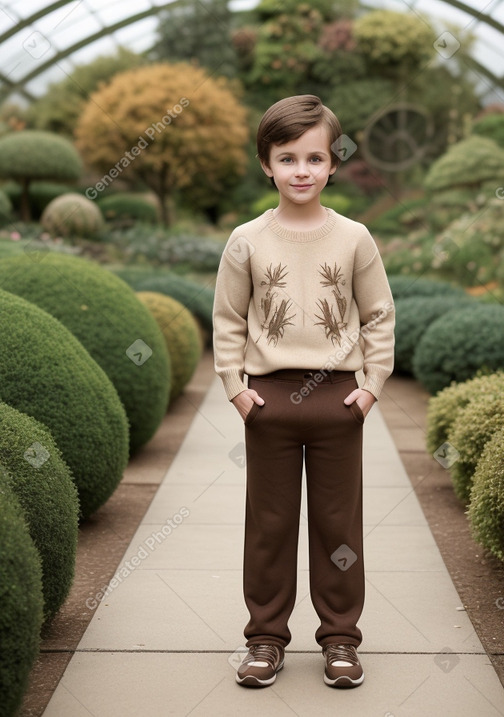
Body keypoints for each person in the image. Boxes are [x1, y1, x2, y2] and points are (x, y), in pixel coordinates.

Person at [212, 95, 394, 689]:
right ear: (266, 163)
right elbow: (228, 319)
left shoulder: (355, 238)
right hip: (268, 403)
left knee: (338, 527)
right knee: (269, 525)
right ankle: (265, 638)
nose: (301, 170)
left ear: (332, 163)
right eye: (287, 157)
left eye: (314, 158)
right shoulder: (246, 239)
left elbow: (379, 314)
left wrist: (370, 387)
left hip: (339, 400)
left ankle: (340, 640)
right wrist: (236, 388)